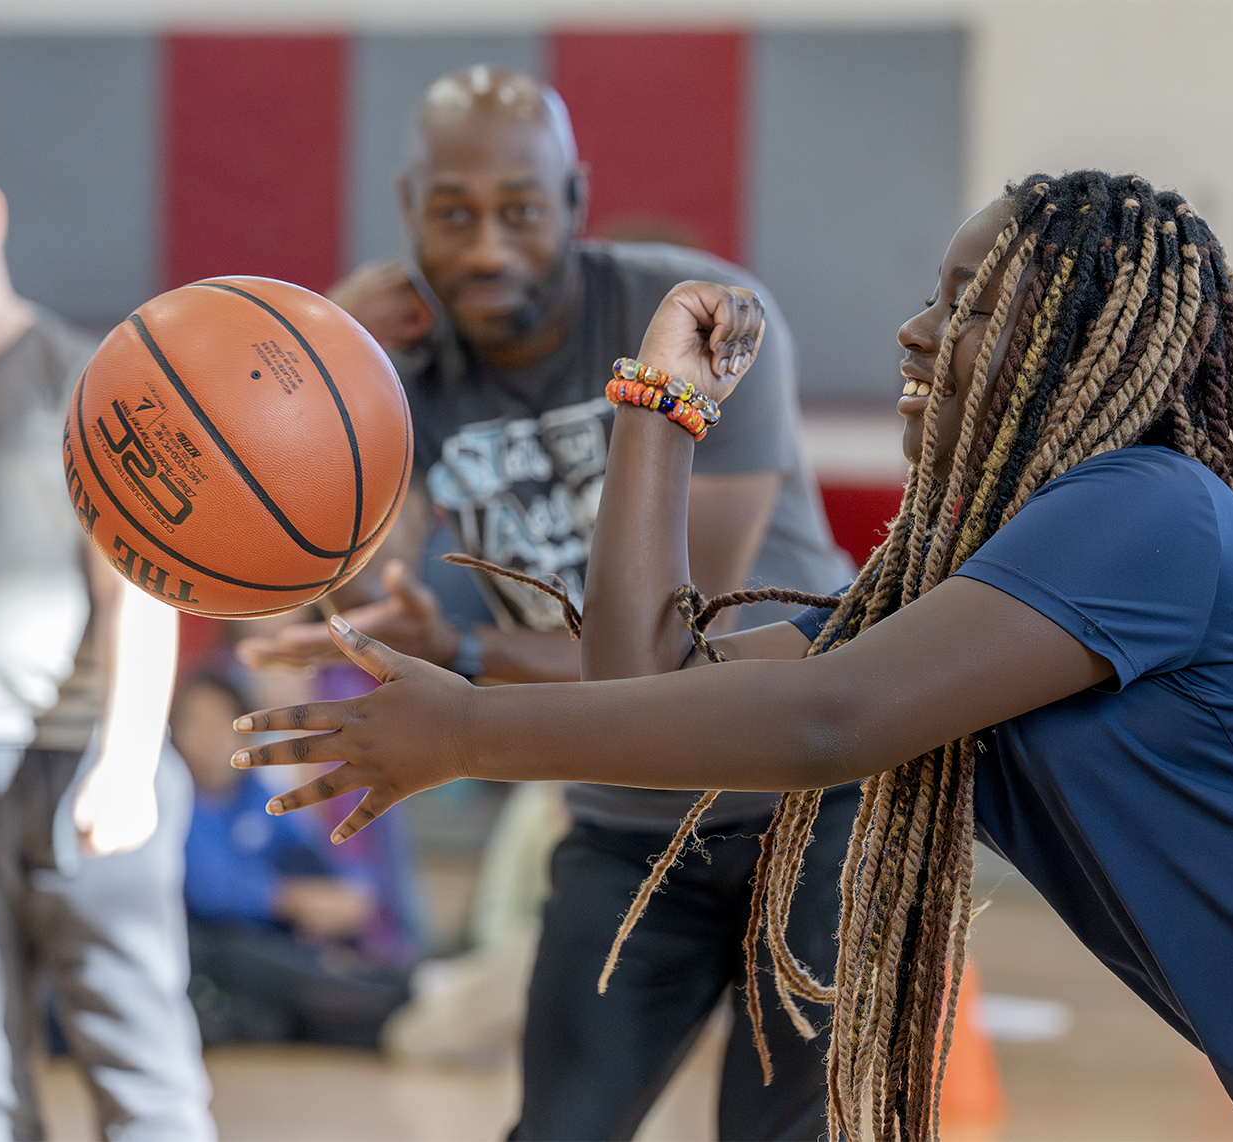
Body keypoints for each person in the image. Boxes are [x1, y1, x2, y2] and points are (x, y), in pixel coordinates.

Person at [235, 171, 1233, 1142]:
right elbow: (636, 667)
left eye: (974, 305)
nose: (917, 331)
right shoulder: (957, 597)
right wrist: (655, 410)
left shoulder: (1145, 504)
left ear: (1084, 352)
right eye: (934, 297)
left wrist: (468, 730)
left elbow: (830, 725)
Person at [238, 67, 855, 1140]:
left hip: (806, 807)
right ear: (406, 210)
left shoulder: (690, 316)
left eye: (519, 210)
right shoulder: (409, 366)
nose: (486, 248)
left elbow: (676, 660)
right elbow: (336, 585)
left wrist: (473, 659)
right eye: (453, 213)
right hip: (622, 819)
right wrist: (333, 367)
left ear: (572, 200)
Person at [0, 138, 214, 1139]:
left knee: (136, 1052)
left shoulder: (85, 380)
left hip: (82, 756)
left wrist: (123, 760)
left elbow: (139, 594)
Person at [172, 672, 409, 1048]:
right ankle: (398, 1012)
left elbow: (317, 855)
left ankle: (407, 997)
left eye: (222, 722)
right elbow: (209, 892)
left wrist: (350, 892)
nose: (211, 737)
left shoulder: (256, 793)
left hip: (282, 940)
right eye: (195, 724)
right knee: (255, 962)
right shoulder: (173, 798)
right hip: (212, 948)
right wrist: (290, 899)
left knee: (333, 970)